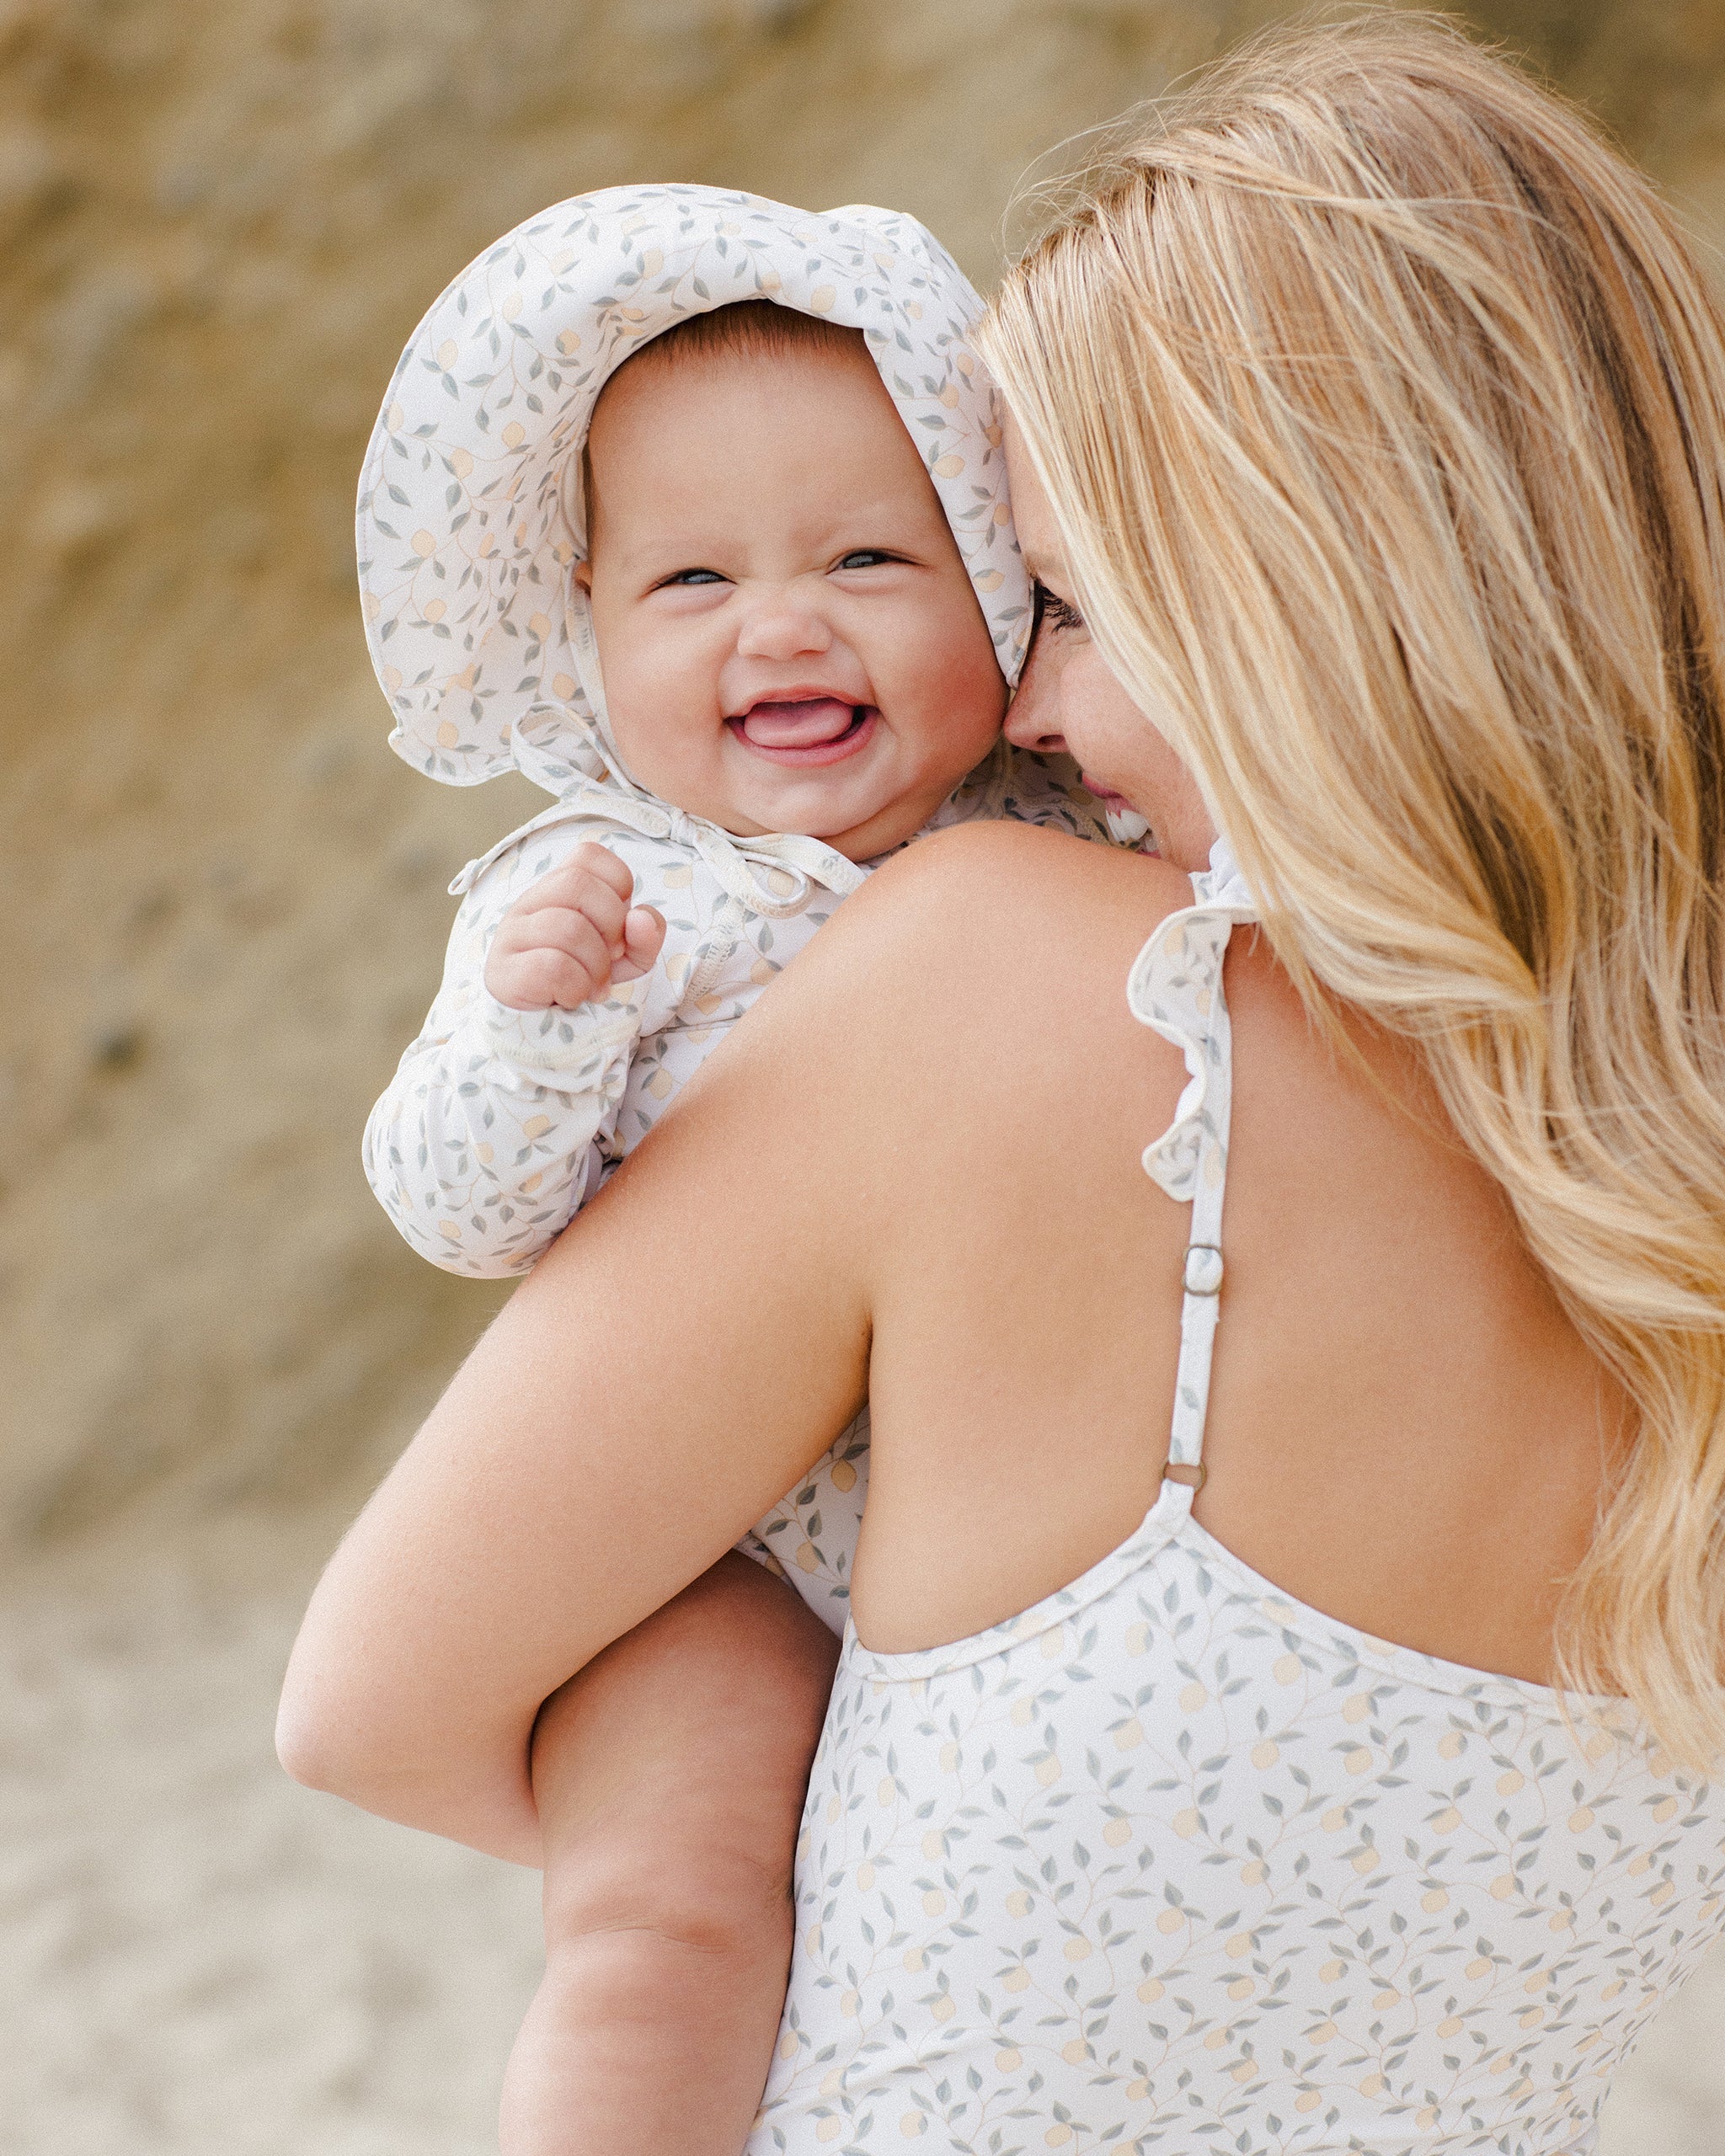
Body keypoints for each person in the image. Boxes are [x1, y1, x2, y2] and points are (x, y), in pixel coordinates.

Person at [280, 15, 1725, 2153]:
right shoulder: (1667, 1197)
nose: (1029, 698)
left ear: (1294, 593)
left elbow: (369, 1702)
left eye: (1058, 594)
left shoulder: (989, 975)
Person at [349, 184, 1107, 2151]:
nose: (782, 621)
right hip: (699, 1552)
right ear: (585, 632)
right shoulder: (595, 896)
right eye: (689, 583)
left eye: (869, 553)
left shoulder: (1070, 831)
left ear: (1001, 589)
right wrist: (536, 1027)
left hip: (1013, 1514)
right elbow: (457, 1205)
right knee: (666, 1917)